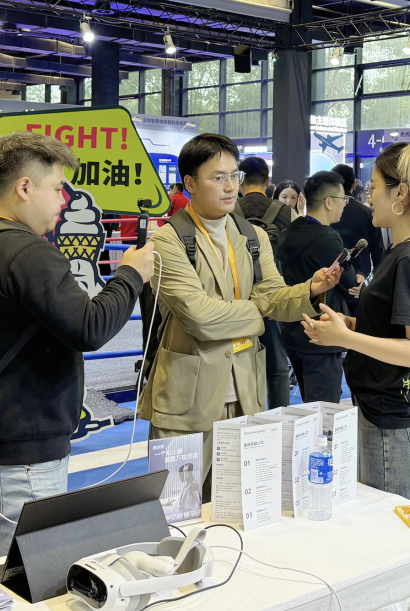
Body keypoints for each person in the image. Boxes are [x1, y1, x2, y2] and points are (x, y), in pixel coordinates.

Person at [0, 131, 155, 557]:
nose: (63, 200)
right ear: (25, 187)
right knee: (23, 573)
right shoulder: (25, 252)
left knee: (5, 563)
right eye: (58, 188)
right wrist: (131, 274)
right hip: (19, 452)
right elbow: (90, 328)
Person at [140, 134, 341, 499]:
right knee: (177, 507)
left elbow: (274, 297)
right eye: (218, 177)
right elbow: (199, 317)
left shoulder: (252, 237)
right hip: (186, 401)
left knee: (239, 505)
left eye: (234, 175)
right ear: (190, 183)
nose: (231, 186)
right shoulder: (168, 241)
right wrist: (259, 312)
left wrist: (309, 290)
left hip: (245, 392)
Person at [305, 142, 410, 504]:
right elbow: (393, 327)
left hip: (392, 418)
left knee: (394, 522)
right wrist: (348, 325)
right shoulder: (402, 251)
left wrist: (347, 337)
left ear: (400, 194)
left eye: (374, 187)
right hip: (384, 412)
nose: (369, 197)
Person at [276, 171, 358, 403]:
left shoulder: (290, 231)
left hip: (293, 328)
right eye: (343, 199)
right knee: (325, 407)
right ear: (329, 202)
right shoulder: (326, 239)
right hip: (322, 332)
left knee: (310, 404)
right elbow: (349, 281)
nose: (344, 205)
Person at [235, 156, 294, 408]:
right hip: (272, 299)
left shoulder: (229, 210)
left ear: (239, 181)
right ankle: (280, 419)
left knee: (237, 364)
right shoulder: (286, 212)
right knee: (278, 367)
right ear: (268, 181)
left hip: (235, 300)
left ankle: (243, 419)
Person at [331, 164, 385, 310]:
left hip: (331, 288)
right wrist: (368, 282)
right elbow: (379, 257)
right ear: (354, 185)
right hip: (360, 289)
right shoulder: (368, 214)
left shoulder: (327, 213)